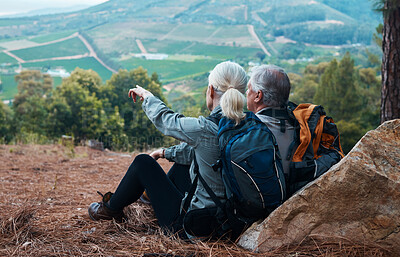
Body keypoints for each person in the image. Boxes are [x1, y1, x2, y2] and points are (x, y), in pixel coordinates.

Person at [88, 61, 248, 238]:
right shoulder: (247, 126)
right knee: (184, 164)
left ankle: (110, 210)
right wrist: (165, 153)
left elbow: (167, 121)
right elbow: (203, 152)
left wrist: (147, 96)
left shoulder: (205, 129)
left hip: (194, 228)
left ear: (210, 90)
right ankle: (151, 197)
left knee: (143, 163)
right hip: (231, 222)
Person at [246, 64, 294, 176]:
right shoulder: (301, 126)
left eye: (249, 89)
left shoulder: (249, 131)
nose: (247, 93)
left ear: (258, 96)